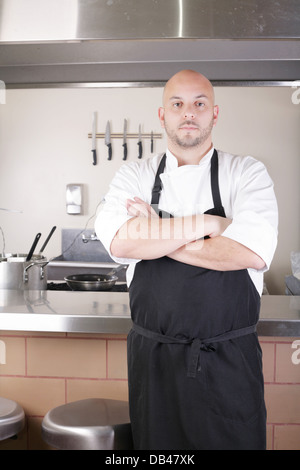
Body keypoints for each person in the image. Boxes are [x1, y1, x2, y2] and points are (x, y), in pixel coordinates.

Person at [95, 70, 278, 450]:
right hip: (155, 366)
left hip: (228, 364)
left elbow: (250, 251)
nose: (188, 113)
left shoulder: (246, 173)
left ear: (214, 113)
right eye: (177, 104)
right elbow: (121, 242)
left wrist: (158, 231)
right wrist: (211, 224)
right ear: (163, 115)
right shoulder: (134, 175)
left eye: (199, 104)